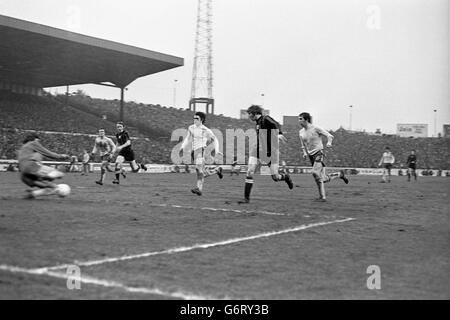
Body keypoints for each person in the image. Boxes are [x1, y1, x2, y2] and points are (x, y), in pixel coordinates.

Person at [238, 105, 293, 204]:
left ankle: (286, 177)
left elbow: (276, 124)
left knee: (275, 177)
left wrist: (279, 133)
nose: (248, 116)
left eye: (249, 113)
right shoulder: (257, 122)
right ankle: (246, 199)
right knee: (250, 171)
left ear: (254, 113)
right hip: (258, 149)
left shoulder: (265, 119)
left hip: (271, 151)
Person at [298, 112, 348, 201]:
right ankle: (339, 175)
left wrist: (329, 143)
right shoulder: (301, 132)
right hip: (311, 155)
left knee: (314, 172)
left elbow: (330, 136)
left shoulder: (315, 128)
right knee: (323, 178)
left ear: (306, 119)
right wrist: (304, 153)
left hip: (319, 153)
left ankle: (323, 197)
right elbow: (303, 144)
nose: (299, 121)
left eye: (300, 119)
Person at [180, 111, 223, 196]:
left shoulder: (206, 130)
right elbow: (188, 138)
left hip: (201, 150)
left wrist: (217, 151)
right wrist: (182, 147)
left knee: (198, 168)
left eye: (197, 118)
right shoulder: (191, 128)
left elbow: (216, 140)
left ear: (201, 120)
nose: (194, 120)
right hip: (194, 152)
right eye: (194, 118)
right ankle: (216, 170)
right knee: (200, 172)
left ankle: (199, 189)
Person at [17, 133, 69, 199]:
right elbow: (48, 153)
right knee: (60, 173)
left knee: (54, 188)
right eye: (38, 141)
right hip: (32, 167)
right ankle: (47, 177)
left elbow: (23, 163)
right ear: (35, 139)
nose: (39, 143)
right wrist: (61, 156)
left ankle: (32, 195)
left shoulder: (22, 149)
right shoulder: (33, 143)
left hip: (24, 176)